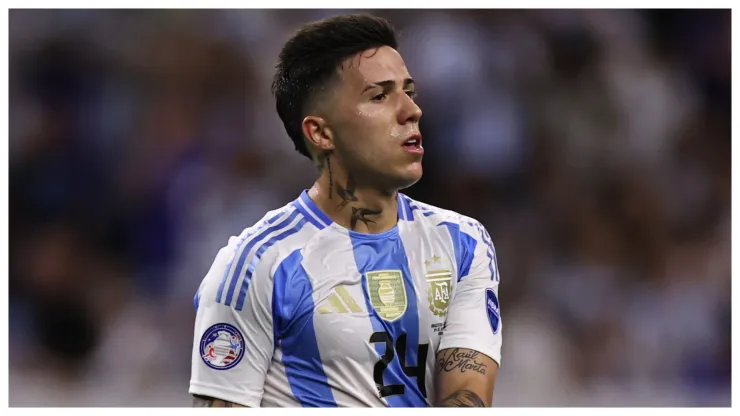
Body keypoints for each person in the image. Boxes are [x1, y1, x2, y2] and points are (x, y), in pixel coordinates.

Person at [189, 13, 502, 407]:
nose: (411, 110)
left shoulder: (463, 244)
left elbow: (467, 394)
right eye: (379, 96)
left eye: (409, 91)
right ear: (320, 133)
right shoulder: (256, 266)